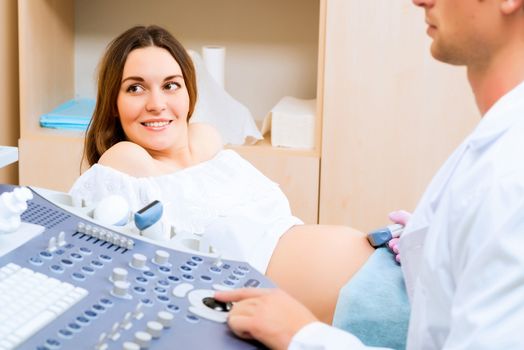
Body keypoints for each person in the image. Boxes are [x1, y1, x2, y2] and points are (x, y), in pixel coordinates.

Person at [215, 0, 524, 348]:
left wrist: (302, 335)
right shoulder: (495, 148)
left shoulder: (511, 174)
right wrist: (436, 243)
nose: (419, 0)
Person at [69, 25, 374, 325]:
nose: (157, 104)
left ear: (189, 93)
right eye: (135, 88)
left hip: (378, 271)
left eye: (171, 85)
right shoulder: (127, 163)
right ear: (112, 103)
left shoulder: (209, 143)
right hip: (354, 302)